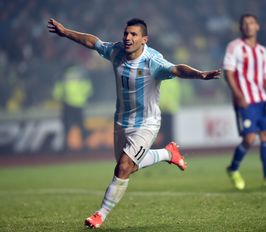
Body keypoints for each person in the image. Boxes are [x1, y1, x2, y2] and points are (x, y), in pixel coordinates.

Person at [48, 18, 221, 228]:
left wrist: (200, 75)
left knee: (123, 166)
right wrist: (65, 32)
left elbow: (177, 69)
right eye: (126, 33)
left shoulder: (152, 61)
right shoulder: (117, 51)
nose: (128, 38)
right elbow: (93, 42)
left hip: (147, 123)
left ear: (144, 39)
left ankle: (100, 214)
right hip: (121, 121)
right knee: (129, 166)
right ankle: (168, 153)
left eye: (133, 35)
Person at [223, 13, 266, 190]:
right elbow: (228, 72)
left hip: (262, 100)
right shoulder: (234, 47)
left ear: (257, 26)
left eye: (252, 23)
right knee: (249, 138)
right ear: (241, 28)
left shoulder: (261, 50)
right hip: (245, 101)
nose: (249, 26)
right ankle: (233, 169)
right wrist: (238, 95)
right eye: (245, 23)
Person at [53, 65, 93, 151]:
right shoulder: (81, 73)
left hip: (67, 104)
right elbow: (88, 89)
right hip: (79, 104)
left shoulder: (63, 74)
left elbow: (57, 91)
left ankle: (65, 147)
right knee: (81, 126)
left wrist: (59, 97)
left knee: (66, 127)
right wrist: (83, 97)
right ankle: (86, 146)